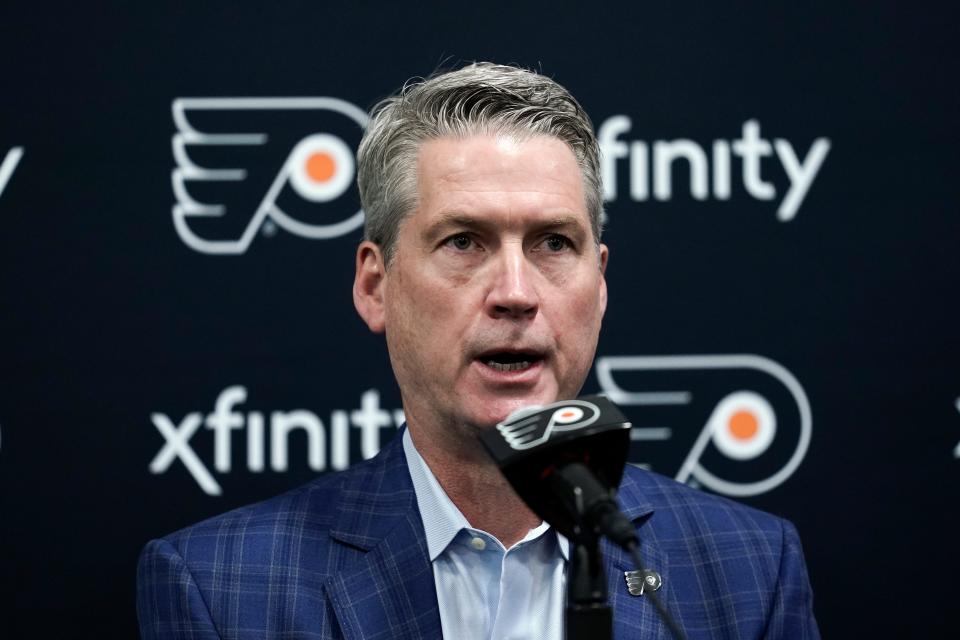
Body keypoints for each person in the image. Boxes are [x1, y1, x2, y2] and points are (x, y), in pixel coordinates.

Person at [137, 62, 820, 639]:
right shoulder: (219, 588)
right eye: (464, 241)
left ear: (600, 283)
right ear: (376, 286)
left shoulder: (749, 571)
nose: (516, 293)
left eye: (554, 243)